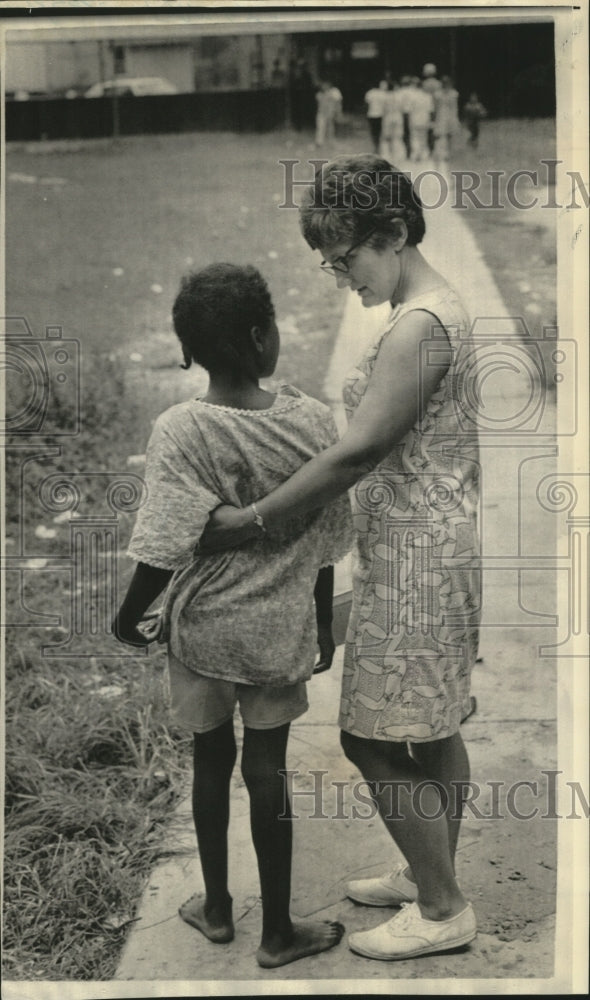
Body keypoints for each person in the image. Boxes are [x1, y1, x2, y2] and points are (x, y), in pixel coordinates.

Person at [199, 156, 481, 961]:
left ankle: (442, 906)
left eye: (344, 256)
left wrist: (249, 520)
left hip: (419, 561)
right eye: (327, 262)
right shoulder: (428, 310)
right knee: (432, 726)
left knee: (370, 737)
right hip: (430, 547)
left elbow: (355, 455)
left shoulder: (422, 325)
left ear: (391, 234)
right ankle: (429, 867)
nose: (338, 276)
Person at [113, 263, 351, 968]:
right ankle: (278, 931)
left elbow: (161, 545)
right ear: (262, 335)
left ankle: (216, 909)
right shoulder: (311, 423)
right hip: (277, 630)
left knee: (209, 765)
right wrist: (319, 625)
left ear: (188, 352)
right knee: (268, 772)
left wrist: (129, 617)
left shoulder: (181, 430)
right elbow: (326, 541)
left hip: (202, 633)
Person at [433, 75, 461, 162]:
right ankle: (441, 153)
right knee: (441, 135)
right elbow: (436, 107)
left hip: (451, 115)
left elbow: (455, 107)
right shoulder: (437, 94)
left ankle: (448, 153)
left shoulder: (454, 93)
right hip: (441, 115)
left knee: (449, 135)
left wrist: (455, 118)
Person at [408, 79, 434, 161]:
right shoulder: (428, 97)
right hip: (425, 119)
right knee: (423, 138)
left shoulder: (412, 97)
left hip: (414, 119)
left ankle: (415, 154)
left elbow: (409, 110)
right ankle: (423, 155)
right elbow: (431, 110)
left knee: (414, 138)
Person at [380, 80, 406, 163]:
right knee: (397, 137)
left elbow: (383, 109)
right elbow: (402, 108)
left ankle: (389, 155)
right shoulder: (399, 96)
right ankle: (398, 156)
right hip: (398, 117)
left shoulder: (384, 96)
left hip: (388, 117)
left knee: (388, 137)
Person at [421, 63, 442, 154]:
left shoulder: (424, 84)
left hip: (427, 108)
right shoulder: (438, 83)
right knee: (435, 127)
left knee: (429, 128)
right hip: (436, 107)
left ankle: (431, 148)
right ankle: (435, 147)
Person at [364, 79, 389, 154]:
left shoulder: (369, 93)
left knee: (373, 131)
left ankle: (375, 146)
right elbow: (385, 105)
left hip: (371, 114)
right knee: (380, 131)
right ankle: (379, 147)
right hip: (380, 115)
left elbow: (367, 104)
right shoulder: (382, 94)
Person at [315, 79, 343, 147]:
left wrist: (338, 112)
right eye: (323, 85)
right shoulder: (319, 94)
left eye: (326, 85)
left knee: (330, 128)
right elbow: (321, 103)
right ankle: (319, 142)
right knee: (321, 127)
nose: (324, 86)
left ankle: (331, 142)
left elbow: (337, 103)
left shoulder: (333, 92)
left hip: (330, 113)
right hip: (322, 113)